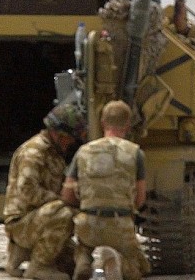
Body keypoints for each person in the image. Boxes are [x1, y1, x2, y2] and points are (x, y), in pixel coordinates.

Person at [61, 100, 151, 280]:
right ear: (128, 126)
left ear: (102, 123)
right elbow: (140, 199)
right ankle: (119, 262)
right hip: (120, 225)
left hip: (89, 224)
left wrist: (85, 206)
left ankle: (84, 259)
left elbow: (67, 195)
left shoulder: (83, 151)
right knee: (140, 268)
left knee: (84, 244)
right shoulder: (135, 153)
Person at [4, 102, 86, 280]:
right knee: (64, 214)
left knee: (72, 264)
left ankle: (21, 253)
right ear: (57, 133)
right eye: (69, 137)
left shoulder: (54, 152)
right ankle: (39, 266)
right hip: (22, 222)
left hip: (38, 219)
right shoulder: (34, 153)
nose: (71, 142)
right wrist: (62, 200)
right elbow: (28, 191)